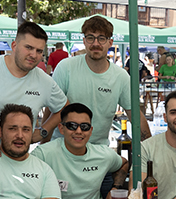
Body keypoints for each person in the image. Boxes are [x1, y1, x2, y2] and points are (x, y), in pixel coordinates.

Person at [51, 16, 150, 148]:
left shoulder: (120, 76)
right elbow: (51, 110)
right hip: (62, 148)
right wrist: (44, 145)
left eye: (101, 38)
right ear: (84, 41)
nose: (96, 43)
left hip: (99, 151)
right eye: (90, 38)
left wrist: (150, 151)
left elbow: (136, 117)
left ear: (110, 42)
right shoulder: (66, 67)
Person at [0, 21, 68, 151]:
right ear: (14, 45)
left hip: (17, 158)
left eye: (39, 51)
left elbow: (65, 107)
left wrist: (43, 131)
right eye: (28, 47)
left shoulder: (44, 80)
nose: (33, 55)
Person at [32, 103, 125, 199]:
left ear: (90, 131)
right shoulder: (43, 154)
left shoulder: (103, 155)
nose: (79, 131)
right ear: (61, 128)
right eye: (72, 126)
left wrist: (116, 188)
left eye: (84, 127)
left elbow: (124, 163)